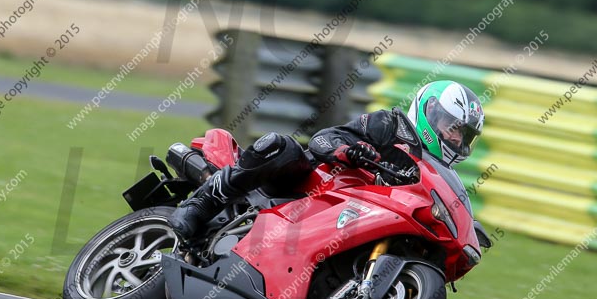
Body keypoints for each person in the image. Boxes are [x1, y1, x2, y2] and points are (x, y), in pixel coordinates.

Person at [169, 80, 484, 242]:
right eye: (453, 128)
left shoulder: (432, 173)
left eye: (463, 136)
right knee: (283, 146)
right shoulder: (390, 127)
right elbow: (323, 139)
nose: (456, 140)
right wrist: (346, 151)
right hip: (307, 188)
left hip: (348, 220)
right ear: (430, 112)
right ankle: (200, 204)